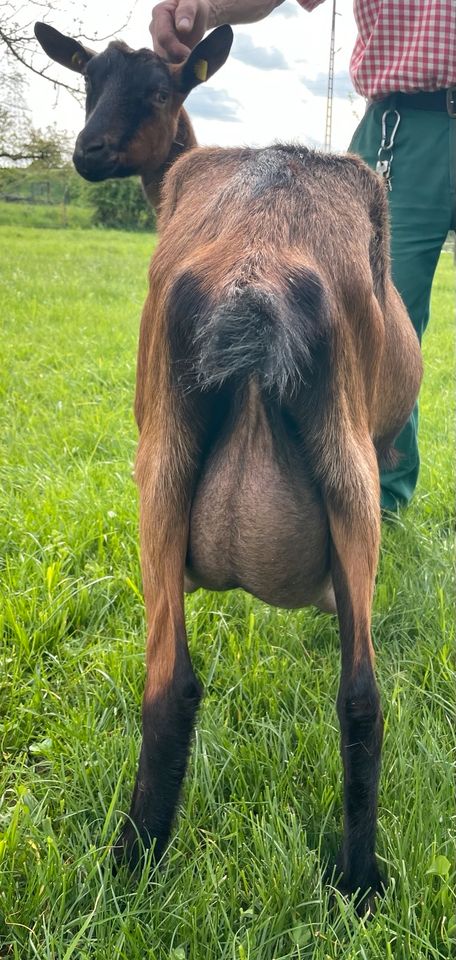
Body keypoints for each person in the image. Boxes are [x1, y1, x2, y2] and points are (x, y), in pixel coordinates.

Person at [150, 0, 456, 512]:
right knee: (373, 326)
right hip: (403, 128)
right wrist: (210, 6)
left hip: (405, 125)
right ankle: (376, 500)